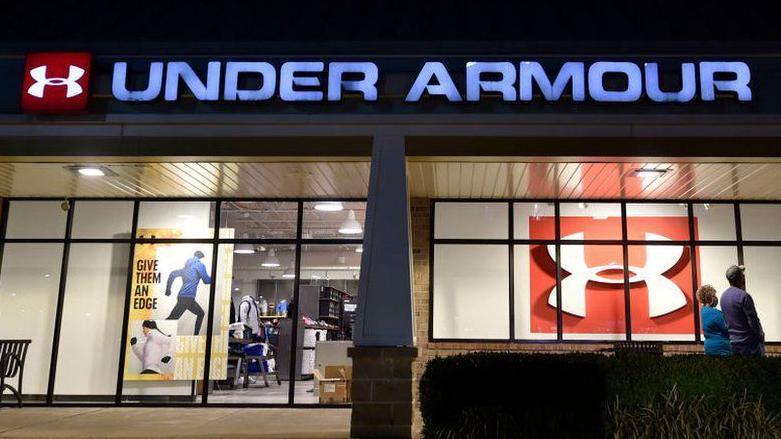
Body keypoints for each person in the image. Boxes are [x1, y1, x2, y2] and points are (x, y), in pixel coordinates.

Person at [720, 265, 765, 357]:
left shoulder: (723, 297)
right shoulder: (744, 296)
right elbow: (753, 321)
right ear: (740, 278)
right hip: (749, 344)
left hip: (733, 343)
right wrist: (761, 335)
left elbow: (725, 320)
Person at [165, 250, 212, 335]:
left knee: (201, 313)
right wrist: (215, 277)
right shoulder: (199, 265)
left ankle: (195, 335)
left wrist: (168, 289)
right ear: (200, 257)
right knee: (172, 319)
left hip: (185, 297)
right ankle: (158, 332)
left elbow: (173, 274)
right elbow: (206, 280)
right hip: (187, 298)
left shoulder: (186, 267)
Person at [696, 285, 732, 356]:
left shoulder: (703, 311)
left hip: (709, 347)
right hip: (721, 348)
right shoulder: (715, 313)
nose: (716, 298)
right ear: (709, 298)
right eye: (714, 296)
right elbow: (727, 329)